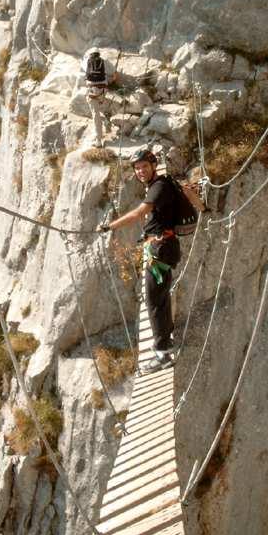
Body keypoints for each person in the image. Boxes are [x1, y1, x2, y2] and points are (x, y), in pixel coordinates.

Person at [98, 149, 201, 372]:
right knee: (160, 297)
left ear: (153, 166)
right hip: (163, 247)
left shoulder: (158, 187)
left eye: (144, 166)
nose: (140, 171)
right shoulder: (163, 182)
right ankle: (166, 341)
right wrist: (204, 209)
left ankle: (163, 354)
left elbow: (138, 213)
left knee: (154, 301)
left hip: (161, 250)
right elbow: (188, 192)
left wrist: (109, 226)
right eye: (137, 168)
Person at [81, 49, 109, 148]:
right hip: (103, 90)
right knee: (101, 108)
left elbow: (85, 74)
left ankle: (98, 140)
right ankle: (106, 123)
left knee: (95, 113)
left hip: (92, 91)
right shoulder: (103, 61)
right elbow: (114, 75)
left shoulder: (87, 62)